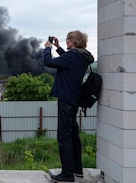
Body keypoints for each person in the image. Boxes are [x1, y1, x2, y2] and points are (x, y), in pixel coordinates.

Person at [44, 31, 94, 183]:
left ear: (73, 41)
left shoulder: (73, 56)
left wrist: (47, 49)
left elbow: (49, 62)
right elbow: (67, 60)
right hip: (73, 99)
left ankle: (67, 174)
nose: (66, 42)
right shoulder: (82, 56)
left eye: (68, 40)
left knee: (64, 136)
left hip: (66, 99)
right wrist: (58, 48)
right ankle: (77, 169)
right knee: (72, 134)